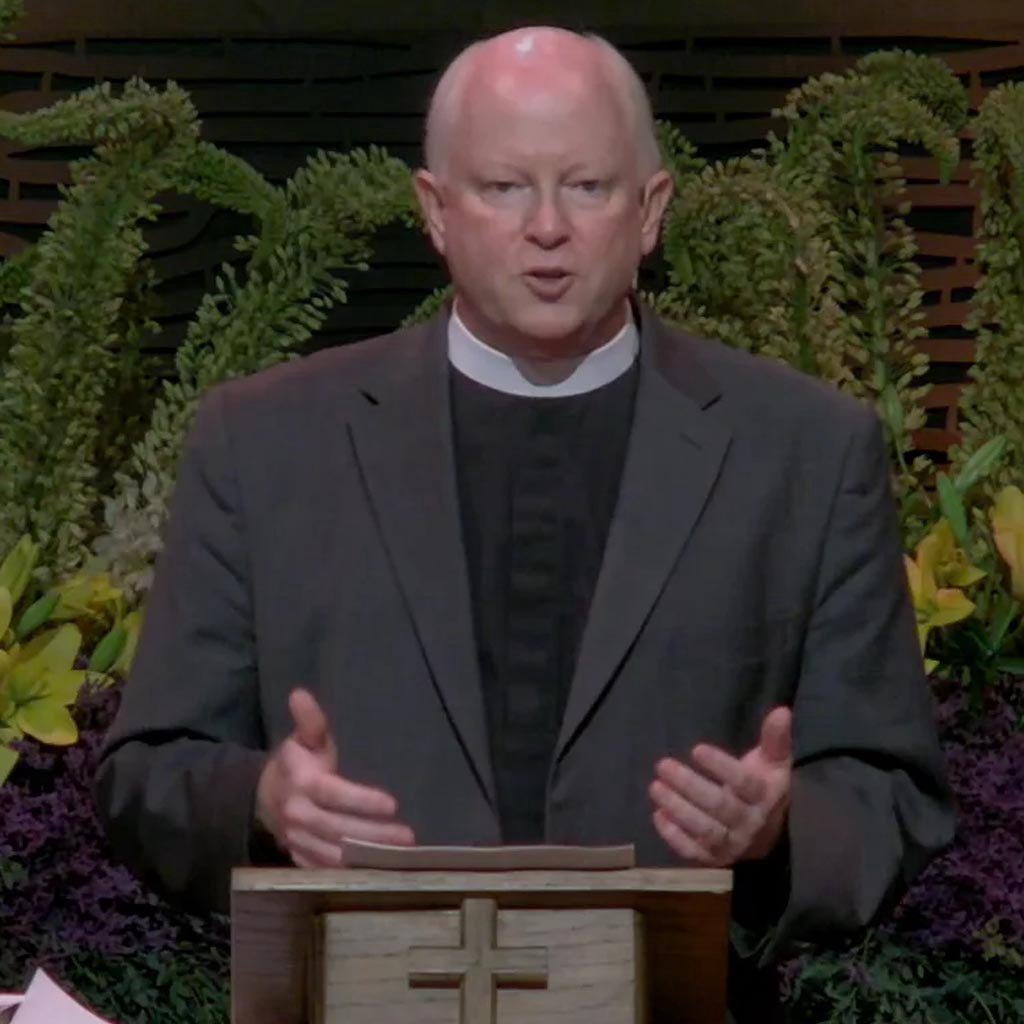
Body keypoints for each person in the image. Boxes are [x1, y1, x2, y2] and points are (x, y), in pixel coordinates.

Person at [94, 26, 955, 1020]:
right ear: (435, 211)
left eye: (585, 186)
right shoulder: (266, 443)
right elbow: (146, 774)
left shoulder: (804, 451)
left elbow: (893, 791)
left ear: (650, 210)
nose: (547, 227)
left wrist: (779, 831)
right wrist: (259, 799)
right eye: (504, 187)